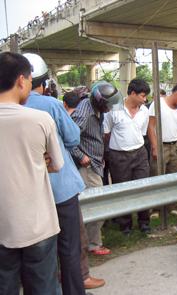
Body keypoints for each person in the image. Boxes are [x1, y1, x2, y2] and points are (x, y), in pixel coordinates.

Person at [0, 52, 63, 295]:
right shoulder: (40, 119)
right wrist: (37, 161)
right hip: (38, 225)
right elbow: (57, 164)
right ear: (21, 80)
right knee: (43, 287)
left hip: (3, 226)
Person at [23, 53, 86, 295]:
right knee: (69, 248)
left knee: (39, 253)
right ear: (43, 81)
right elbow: (72, 138)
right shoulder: (49, 105)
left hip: (28, 193)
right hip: (61, 189)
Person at [71, 81, 122, 256]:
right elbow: (68, 139)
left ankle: (89, 242)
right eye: (108, 104)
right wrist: (81, 156)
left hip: (95, 163)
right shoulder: (84, 114)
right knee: (97, 205)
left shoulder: (95, 109)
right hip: (87, 166)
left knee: (95, 205)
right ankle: (91, 243)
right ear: (100, 102)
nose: (110, 107)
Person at [103, 78, 151, 235]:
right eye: (143, 96)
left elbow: (142, 133)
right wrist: (109, 153)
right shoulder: (114, 110)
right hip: (119, 155)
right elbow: (106, 133)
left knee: (143, 187)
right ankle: (125, 225)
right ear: (132, 93)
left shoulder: (144, 111)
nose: (145, 100)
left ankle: (144, 221)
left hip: (140, 153)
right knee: (122, 190)